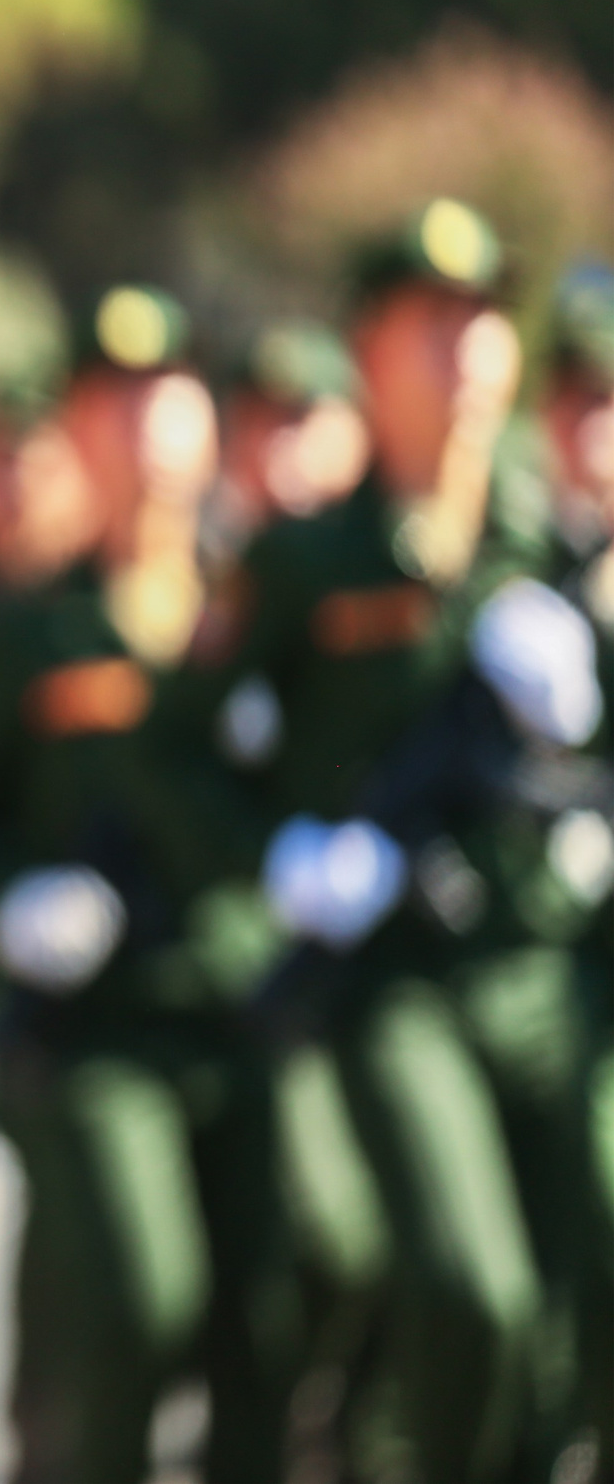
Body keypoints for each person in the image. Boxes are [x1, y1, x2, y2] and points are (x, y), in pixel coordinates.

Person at [222, 200, 575, 1481]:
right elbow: (200, 747)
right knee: (469, 1292)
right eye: (434, 325)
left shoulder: (550, 538)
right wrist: (281, 855)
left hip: (535, 964)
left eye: (485, 320)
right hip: (388, 982)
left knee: (563, 1310)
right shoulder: (308, 559)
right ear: (368, 351)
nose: (469, 351)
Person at [0, 285, 298, 1484]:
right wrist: (8, 900)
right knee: (138, 1303)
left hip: (247, 1003)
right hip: (94, 1027)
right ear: (74, 433)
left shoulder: (261, 600)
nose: (144, 425)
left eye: (166, 395)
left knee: (265, 1327)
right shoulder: (27, 628)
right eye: (111, 401)